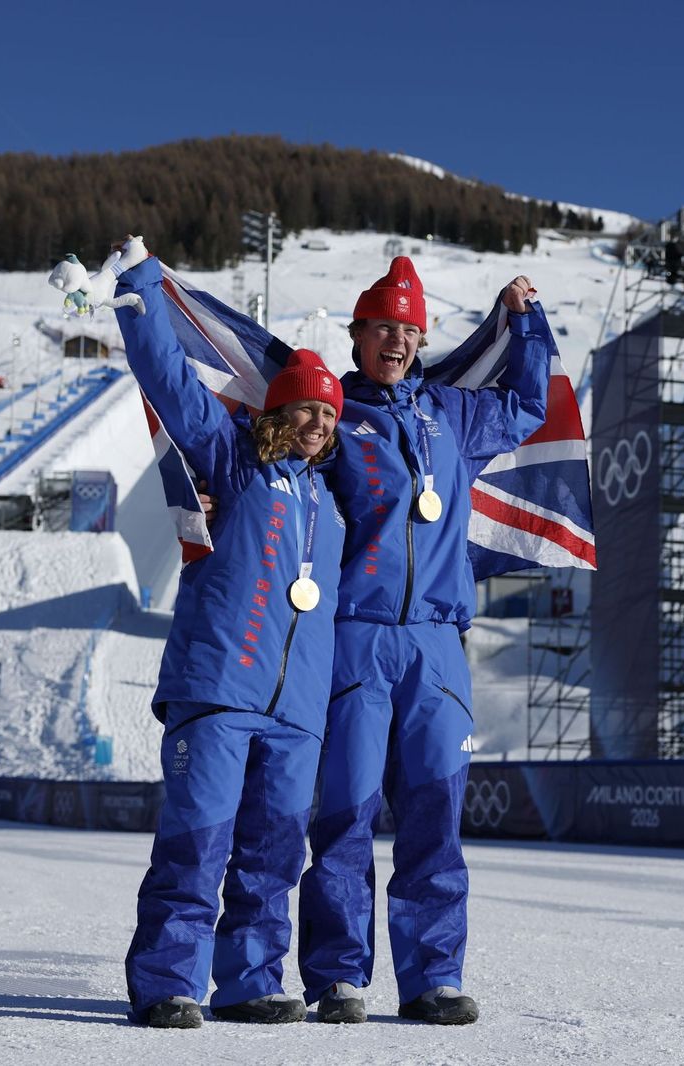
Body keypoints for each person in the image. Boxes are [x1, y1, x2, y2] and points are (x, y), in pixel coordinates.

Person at [298, 256, 550, 1024]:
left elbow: (530, 404)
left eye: (409, 331)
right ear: (357, 334)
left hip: (439, 645)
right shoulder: (335, 417)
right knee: (345, 813)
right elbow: (275, 450)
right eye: (384, 329)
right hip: (357, 637)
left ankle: (433, 975)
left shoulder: (455, 412)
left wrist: (525, 321)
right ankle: (338, 975)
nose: (398, 342)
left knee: (435, 816)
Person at [106, 237, 347, 1029]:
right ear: (277, 411)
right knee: (197, 843)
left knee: (273, 854)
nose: (315, 421)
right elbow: (172, 384)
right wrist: (141, 284)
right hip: (218, 690)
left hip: (297, 712)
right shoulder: (235, 463)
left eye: (326, 412)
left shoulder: (333, 509)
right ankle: (170, 981)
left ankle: (249, 980)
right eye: (304, 407)